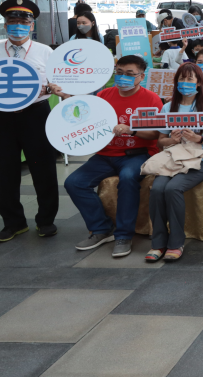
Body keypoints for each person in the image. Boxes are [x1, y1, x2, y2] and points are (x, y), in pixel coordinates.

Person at [0, 0, 64, 243]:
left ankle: (46, 220)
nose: (18, 26)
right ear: (5, 25)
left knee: (43, 167)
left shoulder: (46, 51)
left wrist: (55, 88)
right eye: (12, 21)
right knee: (6, 170)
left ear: (32, 25)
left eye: (23, 22)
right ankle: (13, 223)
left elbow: (60, 85)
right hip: (2, 118)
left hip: (36, 114)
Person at [64, 55, 163, 257]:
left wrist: (132, 130)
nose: (123, 77)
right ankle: (101, 228)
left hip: (138, 153)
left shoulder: (150, 99)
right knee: (73, 182)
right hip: (105, 154)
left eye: (129, 74)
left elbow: (155, 134)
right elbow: (85, 119)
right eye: (119, 73)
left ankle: (124, 235)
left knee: (128, 178)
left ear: (140, 77)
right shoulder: (103, 96)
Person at [148, 63, 203, 261]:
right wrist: (172, 139)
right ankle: (158, 243)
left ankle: (176, 242)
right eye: (182, 78)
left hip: (200, 159)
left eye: (190, 79)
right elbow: (160, 141)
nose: (185, 83)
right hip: (173, 157)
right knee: (156, 189)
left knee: (173, 189)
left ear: (198, 83)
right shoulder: (167, 107)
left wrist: (199, 139)